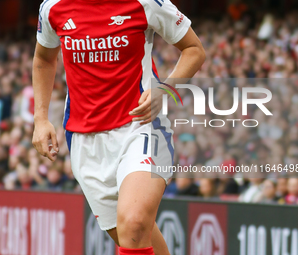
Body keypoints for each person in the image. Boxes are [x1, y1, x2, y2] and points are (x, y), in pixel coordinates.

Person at [32, 0, 205, 254]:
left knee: (134, 224)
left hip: (141, 127)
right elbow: (43, 59)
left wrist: (166, 89)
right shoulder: (52, 7)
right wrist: (40, 118)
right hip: (84, 141)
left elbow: (194, 49)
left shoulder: (145, 2)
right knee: (131, 236)